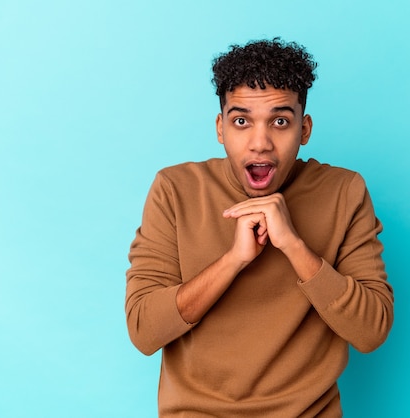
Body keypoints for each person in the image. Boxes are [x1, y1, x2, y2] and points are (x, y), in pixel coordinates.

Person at [125, 38, 394, 417]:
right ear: (221, 128)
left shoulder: (343, 192)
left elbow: (371, 331)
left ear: (305, 129)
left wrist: (295, 247)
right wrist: (233, 260)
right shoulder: (176, 190)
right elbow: (144, 330)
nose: (260, 143)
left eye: (280, 122)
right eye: (241, 122)